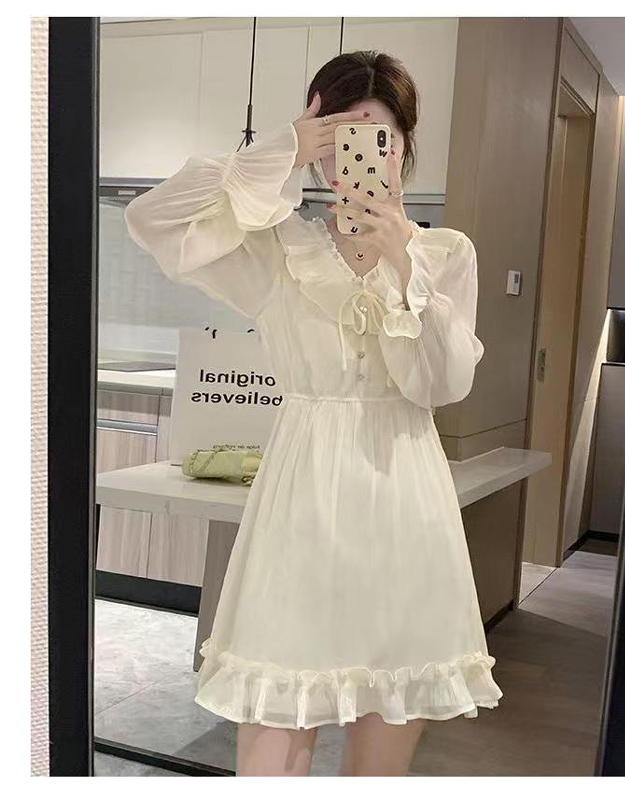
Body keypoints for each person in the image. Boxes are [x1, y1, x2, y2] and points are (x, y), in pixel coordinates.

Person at [124, 50, 502, 777]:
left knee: (379, 761)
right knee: (268, 759)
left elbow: (443, 384)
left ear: (404, 145)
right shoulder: (277, 248)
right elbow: (154, 219)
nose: (353, 156)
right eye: (336, 136)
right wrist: (280, 150)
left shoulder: (446, 254)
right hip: (300, 506)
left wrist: (403, 263)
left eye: (375, 136)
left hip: (404, 503)